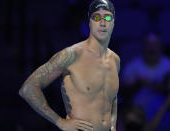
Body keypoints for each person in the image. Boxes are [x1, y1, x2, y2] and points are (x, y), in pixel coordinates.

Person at [18, 0, 120, 131]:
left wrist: (113, 124)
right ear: (89, 23)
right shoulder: (71, 55)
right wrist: (60, 122)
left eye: (107, 17)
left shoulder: (115, 60)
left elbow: (112, 98)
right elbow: (28, 88)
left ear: (113, 23)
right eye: (96, 17)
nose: (102, 22)